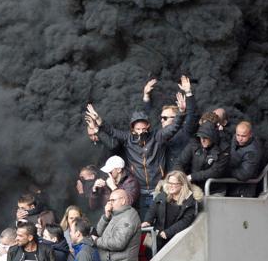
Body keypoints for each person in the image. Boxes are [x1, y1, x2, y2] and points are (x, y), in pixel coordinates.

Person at [85, 88, 189, 218]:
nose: (141, 132)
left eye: (143, 128)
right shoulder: (128, 138)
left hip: (159, 188)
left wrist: (181, 112)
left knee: (162, 218)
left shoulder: (157, 136)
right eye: (138, 129)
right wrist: (99, 121)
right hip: (139, 190)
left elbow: (173, 128)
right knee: (144, 220)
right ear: (133, 129)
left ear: (148, 127)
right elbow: (112, 131)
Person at [93, 188, 141, 261]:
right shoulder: (115, 215)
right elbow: (98, 232)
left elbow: (118, 243)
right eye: (109, 200)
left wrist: (97, 241)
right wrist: (106, 216)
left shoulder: (129, 217)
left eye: (112, 200)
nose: (109, 204)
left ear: (123, 201)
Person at [141, 171, 199, 251]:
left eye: (174, 184)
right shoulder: (162, 195)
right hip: (157, 235)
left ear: (182, 185)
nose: (170, 186)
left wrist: (168, 232)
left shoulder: (189, 201)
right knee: (148, 255)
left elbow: (185, 221)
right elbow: (152, 210)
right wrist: (147, 221)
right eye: (169, 183)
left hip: (174, 238)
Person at [175, 122, 230, 191]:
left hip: (214, 190)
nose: (202, 140)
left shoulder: (223, 149)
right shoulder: (194, 144)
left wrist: (192, 177)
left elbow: (215, 171)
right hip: (193, 187)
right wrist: (181, 176)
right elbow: (180, 162)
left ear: (213, 138)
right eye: (200, 137)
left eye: (205, 138)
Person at [227, 121, 264, 197]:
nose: (240, 139)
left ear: (250, 135)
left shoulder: (253, 152)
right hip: (232, 186)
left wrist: (225, 170)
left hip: (244, 191)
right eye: (238, 135)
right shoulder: (235, 139)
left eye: (243, 136)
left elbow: (244, 174)